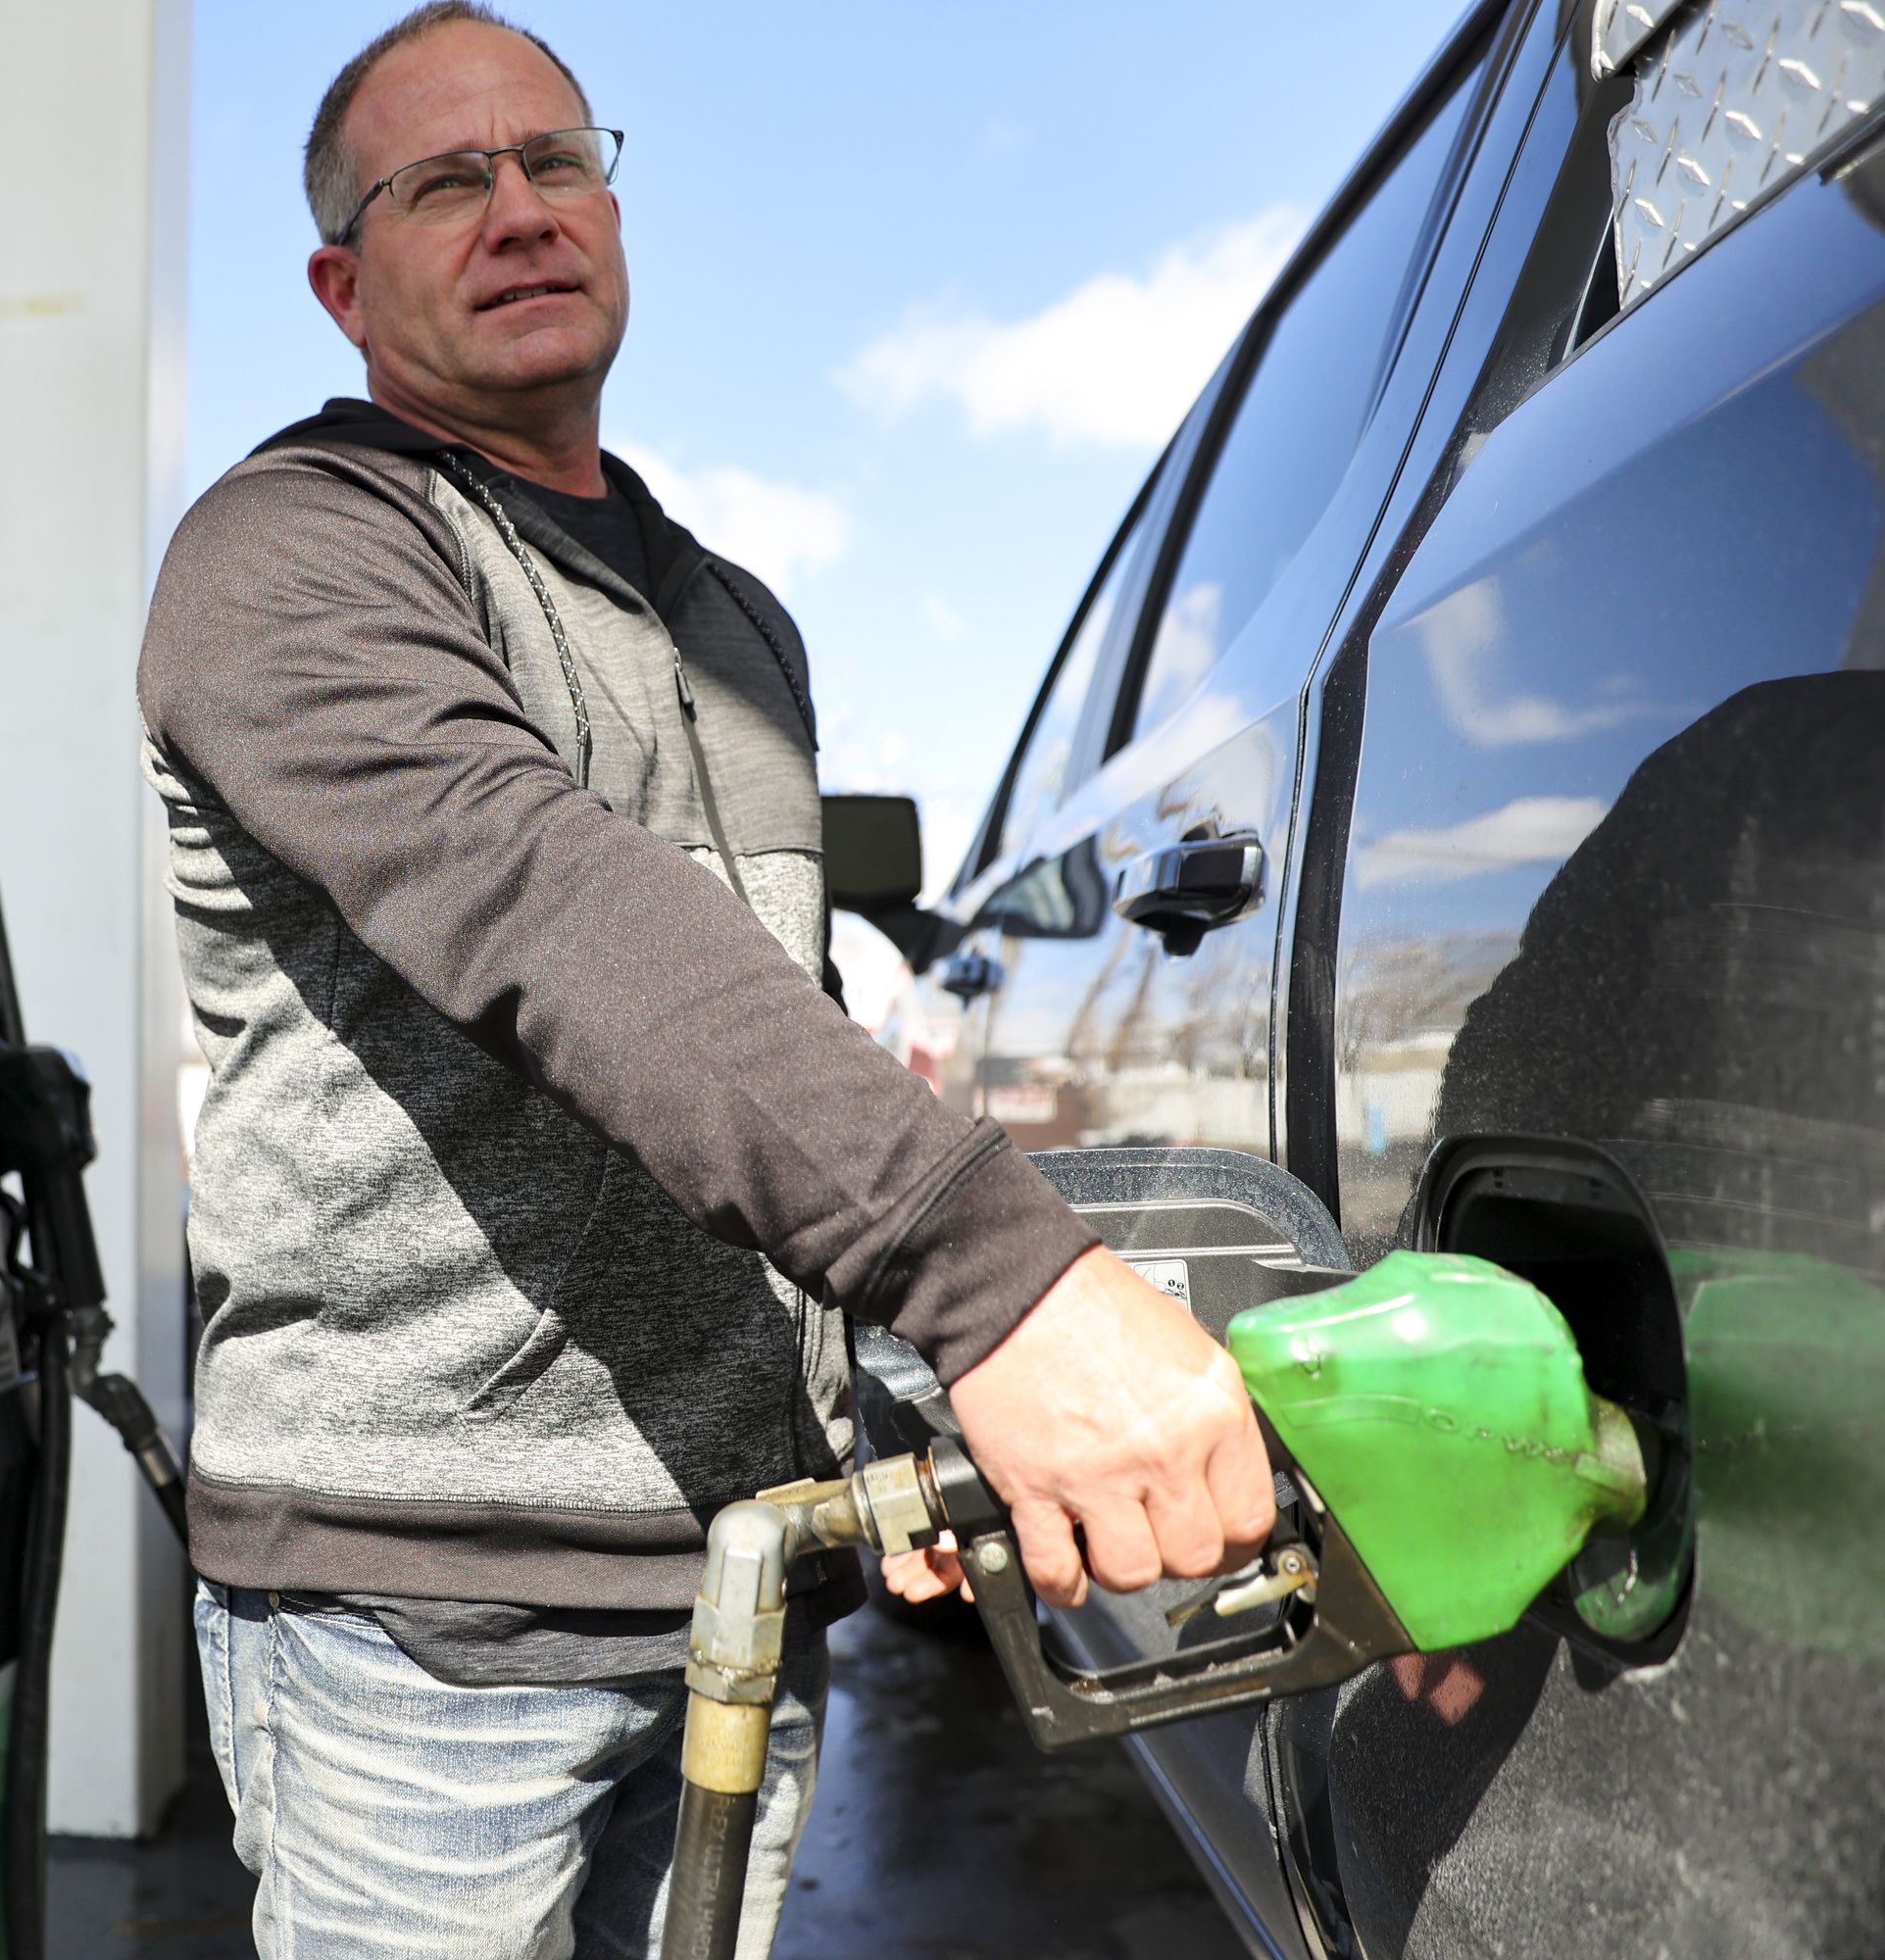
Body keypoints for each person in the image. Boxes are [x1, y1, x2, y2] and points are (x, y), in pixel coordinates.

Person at [135, 7, 1274, 1952]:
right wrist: (1000, 1286)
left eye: (556, 161)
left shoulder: (733, 618)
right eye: (443, 183)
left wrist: (893, 1405)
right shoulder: (289, 556)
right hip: (423, 1626)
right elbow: (552, 908)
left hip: (742, 1570)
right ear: (342, 283)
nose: (517, 210)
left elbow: (769, 1027)